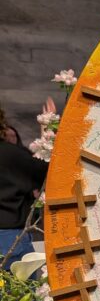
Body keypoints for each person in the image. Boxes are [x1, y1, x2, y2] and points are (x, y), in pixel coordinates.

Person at [0, 103, 49, 271]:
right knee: (18, 287)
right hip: (8, 238)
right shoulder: (10, 155)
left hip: (9, 236)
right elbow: (47, 174)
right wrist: (48, 132)